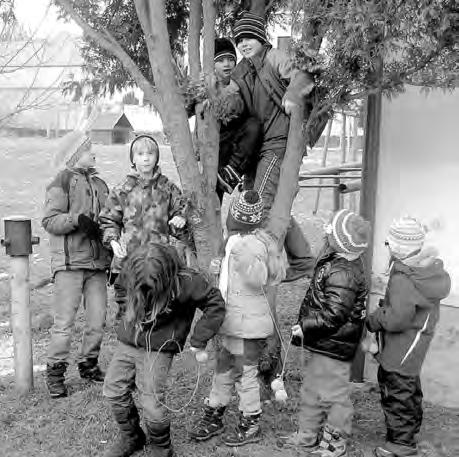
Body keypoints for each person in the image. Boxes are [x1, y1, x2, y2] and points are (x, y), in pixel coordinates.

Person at [102, 242, 226, 457]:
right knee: (113, 390)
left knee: (151, 400)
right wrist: (125, 314)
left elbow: (215, 304)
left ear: (167, 274)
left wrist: (199, 338)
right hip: (128, 341)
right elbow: (121, 288)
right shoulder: (132, 269)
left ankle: (161, 447)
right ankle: (131, 436)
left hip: (158, 348)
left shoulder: (187, 282)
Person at [189, 188, 287, 447]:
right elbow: (226, 277)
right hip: (231, 321)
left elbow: (260, 279)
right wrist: (218, 266)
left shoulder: (254, 245)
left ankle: (250, 420)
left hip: (248, 325)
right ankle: (215, 412)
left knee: (245, 374)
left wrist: (247, 263)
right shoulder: (232, 239)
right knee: (223, 369)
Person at [231, 11, 315, 282]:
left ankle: (265, 263)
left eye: (249, 37)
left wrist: (292, 94)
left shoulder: (273, 57)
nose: (243, 43)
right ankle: (302, 260)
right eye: (239, 39)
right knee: (264, 203)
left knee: (260, 202)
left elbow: (303, 74)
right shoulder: (241, 70)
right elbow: (232, 98)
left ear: (260, 37)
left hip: (278, 141)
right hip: (256, 146)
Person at [283, 209, 370, 457]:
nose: (325, 231)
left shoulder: (345, 272)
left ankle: (335, 441)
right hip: (323, 343)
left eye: (330, 229)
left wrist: (306, 326)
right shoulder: (337, 261)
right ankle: (308, 435)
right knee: (311, 389)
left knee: (334, 395)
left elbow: (334, 315)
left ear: (339, 240)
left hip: (334, 346)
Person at [366, 216, 450, 457]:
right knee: (409, 390)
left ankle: (400, 446)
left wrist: (375, 319)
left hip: (401, 348)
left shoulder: (404, 278)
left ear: (397, 247)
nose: (387, 247)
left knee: (397, 395)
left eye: (388, 243)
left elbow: (396, 319)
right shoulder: (423, 271)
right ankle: (409, 432)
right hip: (415, 345)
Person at [42, 132, 112, 397]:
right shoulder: (61, 182)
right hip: (69, 265)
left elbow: (108, 221)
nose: (93, 154)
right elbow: (49, 221)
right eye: (88, 150)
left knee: (97, 319)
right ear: (74, 154)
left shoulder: (101, 184)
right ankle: (55, 373)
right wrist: (76, 220)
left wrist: (110, 240)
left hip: (96, 265)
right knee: (64, 322)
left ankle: (89, 364)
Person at [99, 135, 188, 305]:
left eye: (150, 154)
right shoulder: (123, 189)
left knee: (159, 305)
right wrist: (113, 241)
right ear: (133, 158)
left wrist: (180, 218)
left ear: (157, 158)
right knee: (128, 307)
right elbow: (108, 220)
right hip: (129, 259)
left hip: (159, 260)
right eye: (140, 154)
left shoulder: (168, 188)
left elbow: (181, 211)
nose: (146, 158)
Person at [211, 38, 263, 200]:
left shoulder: (241, 84)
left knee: (254, 125)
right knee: (214, 196)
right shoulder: (206, 87)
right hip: (217, 146)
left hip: (238, 145)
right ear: (212, 64)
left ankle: (231, 173)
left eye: (230, 59)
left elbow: (250, 114)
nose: (227, 64)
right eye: (220, 60)